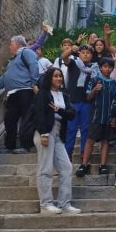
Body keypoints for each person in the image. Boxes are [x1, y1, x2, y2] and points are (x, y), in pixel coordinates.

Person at [33, 68, 81, 216]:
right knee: (45, 168)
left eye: (60, 76)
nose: (59, 78)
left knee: (66, 168)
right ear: (49, 78)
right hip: (45, 132)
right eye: (55, 76)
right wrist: (43, 133)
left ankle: (64, 203)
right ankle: (46, 204)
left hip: (58, 133)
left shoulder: (63, 94)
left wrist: (59, 110)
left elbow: (71, 114)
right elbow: (39, 113)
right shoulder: (43, 93)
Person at [0, 35, 39, 153]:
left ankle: (25, 146)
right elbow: (5, 76)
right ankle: (10, 146)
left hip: (25, 91)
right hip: (13, 94)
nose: (9, 46)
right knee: (9, 120)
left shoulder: (26, 52)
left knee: (26, 120)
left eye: (11, 44)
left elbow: (34, 65)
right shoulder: (13, 60)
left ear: (17, 45)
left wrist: (34, 83)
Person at [76, 58, 116, 176]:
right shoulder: (94, 80)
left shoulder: (114, 83)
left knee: (105, 141)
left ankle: (103, 165)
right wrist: (95, 89)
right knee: (90, 140)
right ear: (100, 68)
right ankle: (84, 165)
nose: (107, 69)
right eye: (105, 66)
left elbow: (115, 101)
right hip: (95, 116)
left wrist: (114, 117)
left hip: (108, 117)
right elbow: (88, 97)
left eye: (110, 67)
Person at [61, 44, 94, 161]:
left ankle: (84, 153)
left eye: (88, 53)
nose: (85, 55)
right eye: (83, 52)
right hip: (73, 101)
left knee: (85, 129)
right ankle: (67, 153)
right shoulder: (74, 64)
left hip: (87, 102)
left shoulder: (94, 68)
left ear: (92, 56)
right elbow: (64, 57)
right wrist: (71, 49)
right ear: (79, 54)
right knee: (71, 129)